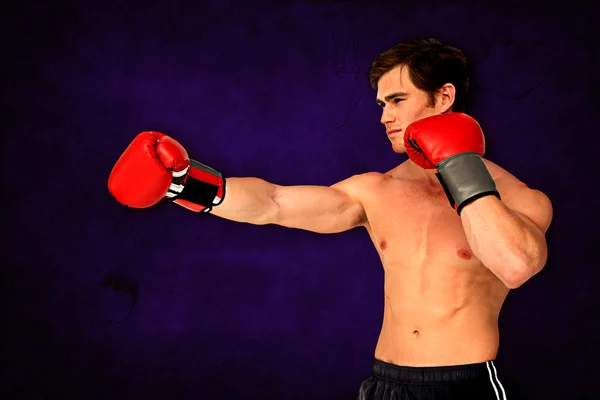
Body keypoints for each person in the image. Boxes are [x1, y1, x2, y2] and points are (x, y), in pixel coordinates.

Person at [107, 38, 553, 399]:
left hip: (465, 386)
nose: (385, 117)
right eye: (381, 104)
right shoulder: (375, 190)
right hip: (384, 384)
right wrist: (185, 183)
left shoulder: (518, 197)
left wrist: (459, 165)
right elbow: (275, 203)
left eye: (397, 100)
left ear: (444, 98)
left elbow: (516, 264)